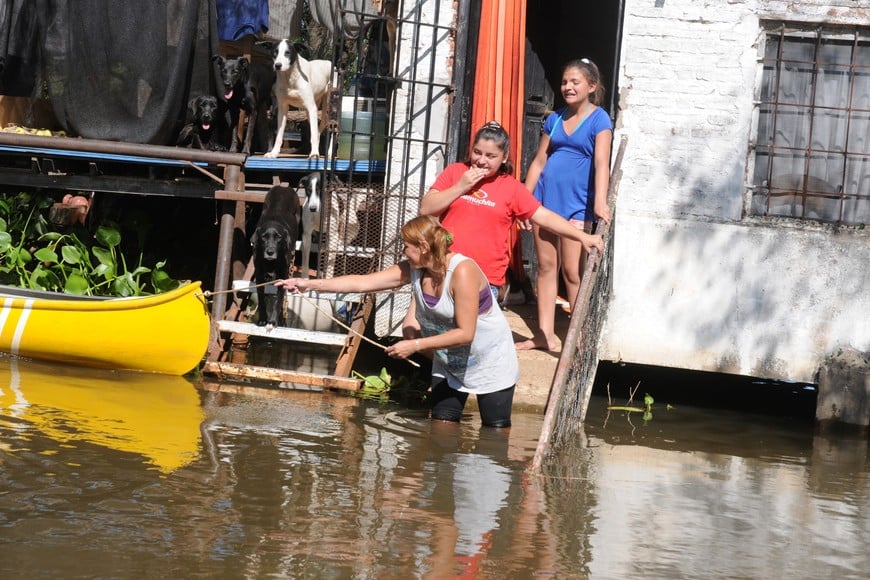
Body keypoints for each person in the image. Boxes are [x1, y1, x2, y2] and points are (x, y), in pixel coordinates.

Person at [275, 215, 520, 428]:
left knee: (494, 432)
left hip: (490, 361)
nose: (403, 252)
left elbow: (466, 333)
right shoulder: (414, 268)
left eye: (406, 247)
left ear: (423, 246)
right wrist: (308, 284)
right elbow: (363, 283)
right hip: (449, 362)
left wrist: (414, 345)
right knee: (442, 425)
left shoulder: (463, 272)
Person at [411, 121, 605, 344]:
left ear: (504, 158)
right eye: (477, 152)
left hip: (484, 281)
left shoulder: (510, 187)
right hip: (444, 274)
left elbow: (543, 216)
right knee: (443, 344)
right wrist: (460, 187)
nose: (481, 160)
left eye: (490, 156)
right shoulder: (456, 172)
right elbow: (427, 207)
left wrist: (582, 236)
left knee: (471, 345)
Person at [517, 58, 613, 351]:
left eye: (575, 82)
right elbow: (539, 161)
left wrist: (600, 202)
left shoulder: (600, 120)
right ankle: (544, 335)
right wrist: (524, 199)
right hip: (545, 204)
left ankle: (577, 339)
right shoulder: (554, 118)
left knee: (572, 271)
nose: (568, 87)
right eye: (564, 82)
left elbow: (601, 162)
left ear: (591, 86)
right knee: (547, 267)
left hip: (577, 206)